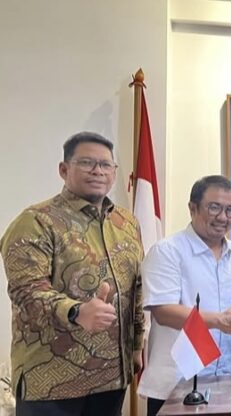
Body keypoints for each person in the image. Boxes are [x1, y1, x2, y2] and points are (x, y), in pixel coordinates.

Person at [0, 132, 144, 415]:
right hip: (52, 380)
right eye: (87, 162)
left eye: (106, 165)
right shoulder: (36, 221)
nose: (98, 171)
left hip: (111, 376)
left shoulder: (126, 222)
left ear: (114, 172)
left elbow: (136, 288)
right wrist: (77, 311)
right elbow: (26, 291)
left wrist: (137, 345)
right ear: (64, 169)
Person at [138, 175, 231, 416]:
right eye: (214, 208)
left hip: (226, 383)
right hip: (176, 386)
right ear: (193, 208)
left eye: (230, 210)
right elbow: (163, 311)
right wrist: (218, 320)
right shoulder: (167, 251)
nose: (223, 217)